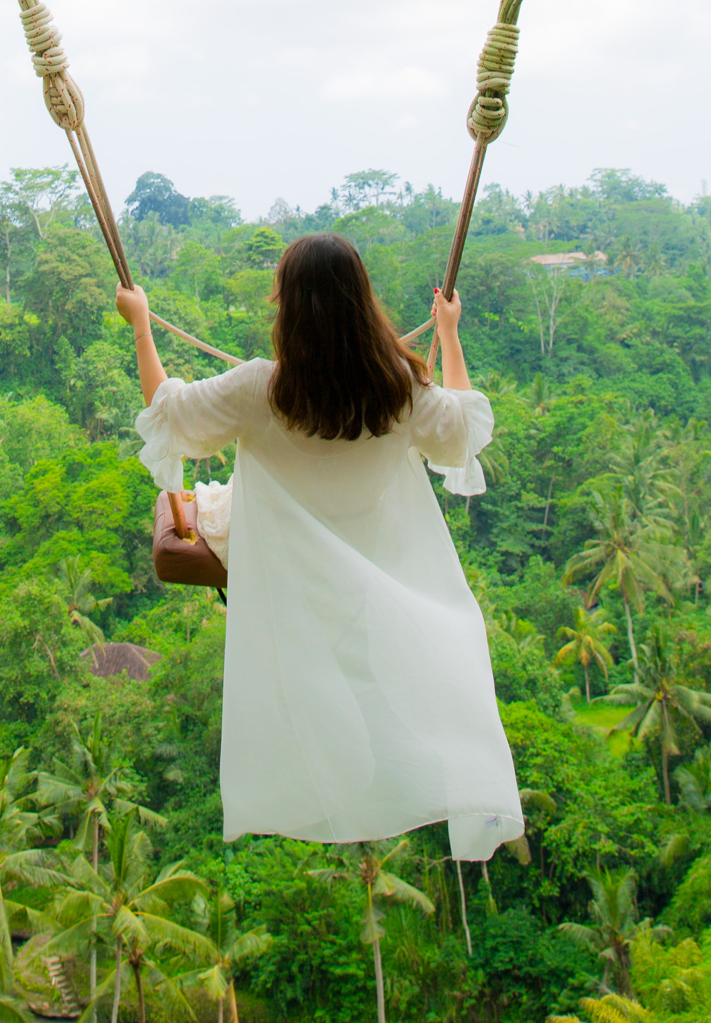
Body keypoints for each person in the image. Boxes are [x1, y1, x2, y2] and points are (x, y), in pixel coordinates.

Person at [117, 233, 523, 858]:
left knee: (209, 504)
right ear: (363, 303)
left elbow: (167, 412)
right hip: (371, 570)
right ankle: (366, 766)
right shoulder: (398, 392)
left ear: (287, 308)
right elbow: (462, 430)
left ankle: (332, 771)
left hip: (285, 568)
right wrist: (447, 334)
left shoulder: (261, 391)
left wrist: (141, 325)